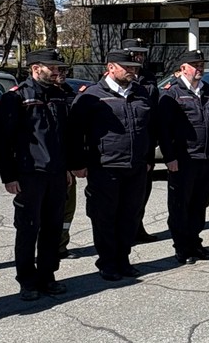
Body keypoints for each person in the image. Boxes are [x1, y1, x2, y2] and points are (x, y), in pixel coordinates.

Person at [66, 48, 157, 280]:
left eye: (134, 68)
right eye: (127, 67)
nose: (132, 71)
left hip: (136, 167)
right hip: (105, 167)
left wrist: (148, 158)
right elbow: (74, 132)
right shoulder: (92, 96)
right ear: (111, 67)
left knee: (130, 216)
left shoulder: (140, 92)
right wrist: (77, 163)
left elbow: (150, 128)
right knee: (105, 217)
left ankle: (123, 259)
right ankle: (107, 263)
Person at [0, 49, 72, 299]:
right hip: (30, 174)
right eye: (52, 68)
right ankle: (27, 281)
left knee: (52, 228)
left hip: (56, 173)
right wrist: (9, 176)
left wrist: (67, 168)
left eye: (59, 67)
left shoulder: (59, 95)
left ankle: (47, 276)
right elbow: (4, 140)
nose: (57, 72)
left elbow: (64, 137)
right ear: (36, 68)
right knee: (28, 229)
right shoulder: (17, 97)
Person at [158, 50, 209, 263]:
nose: (200, 68)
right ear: (183, 68)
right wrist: (170, 157)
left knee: (200, 204)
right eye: (195, 65)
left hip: (206, 157)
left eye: (202, 64)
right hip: (184, 159)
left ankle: (195, 243)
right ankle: (182, 247)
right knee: (180, 206)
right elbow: (164, 130)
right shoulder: (172, 93)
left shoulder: (208, 90)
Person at [121, 38, 161, 244]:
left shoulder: (148, 77)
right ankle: (126, 230)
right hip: (126, 145)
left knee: (144, 189)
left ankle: (138, 226)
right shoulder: (120, 79)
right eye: (135, 54)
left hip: (146, 141)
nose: (139, 58)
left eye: (141, 54)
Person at [53, 65, 80, 259]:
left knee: (68, 209)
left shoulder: (71, 95)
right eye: (58, 70)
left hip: (69, 163)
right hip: (49, 165)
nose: (62, 74)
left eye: (65, 70)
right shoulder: (40, 95)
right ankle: (47, 247)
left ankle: (61, 245)